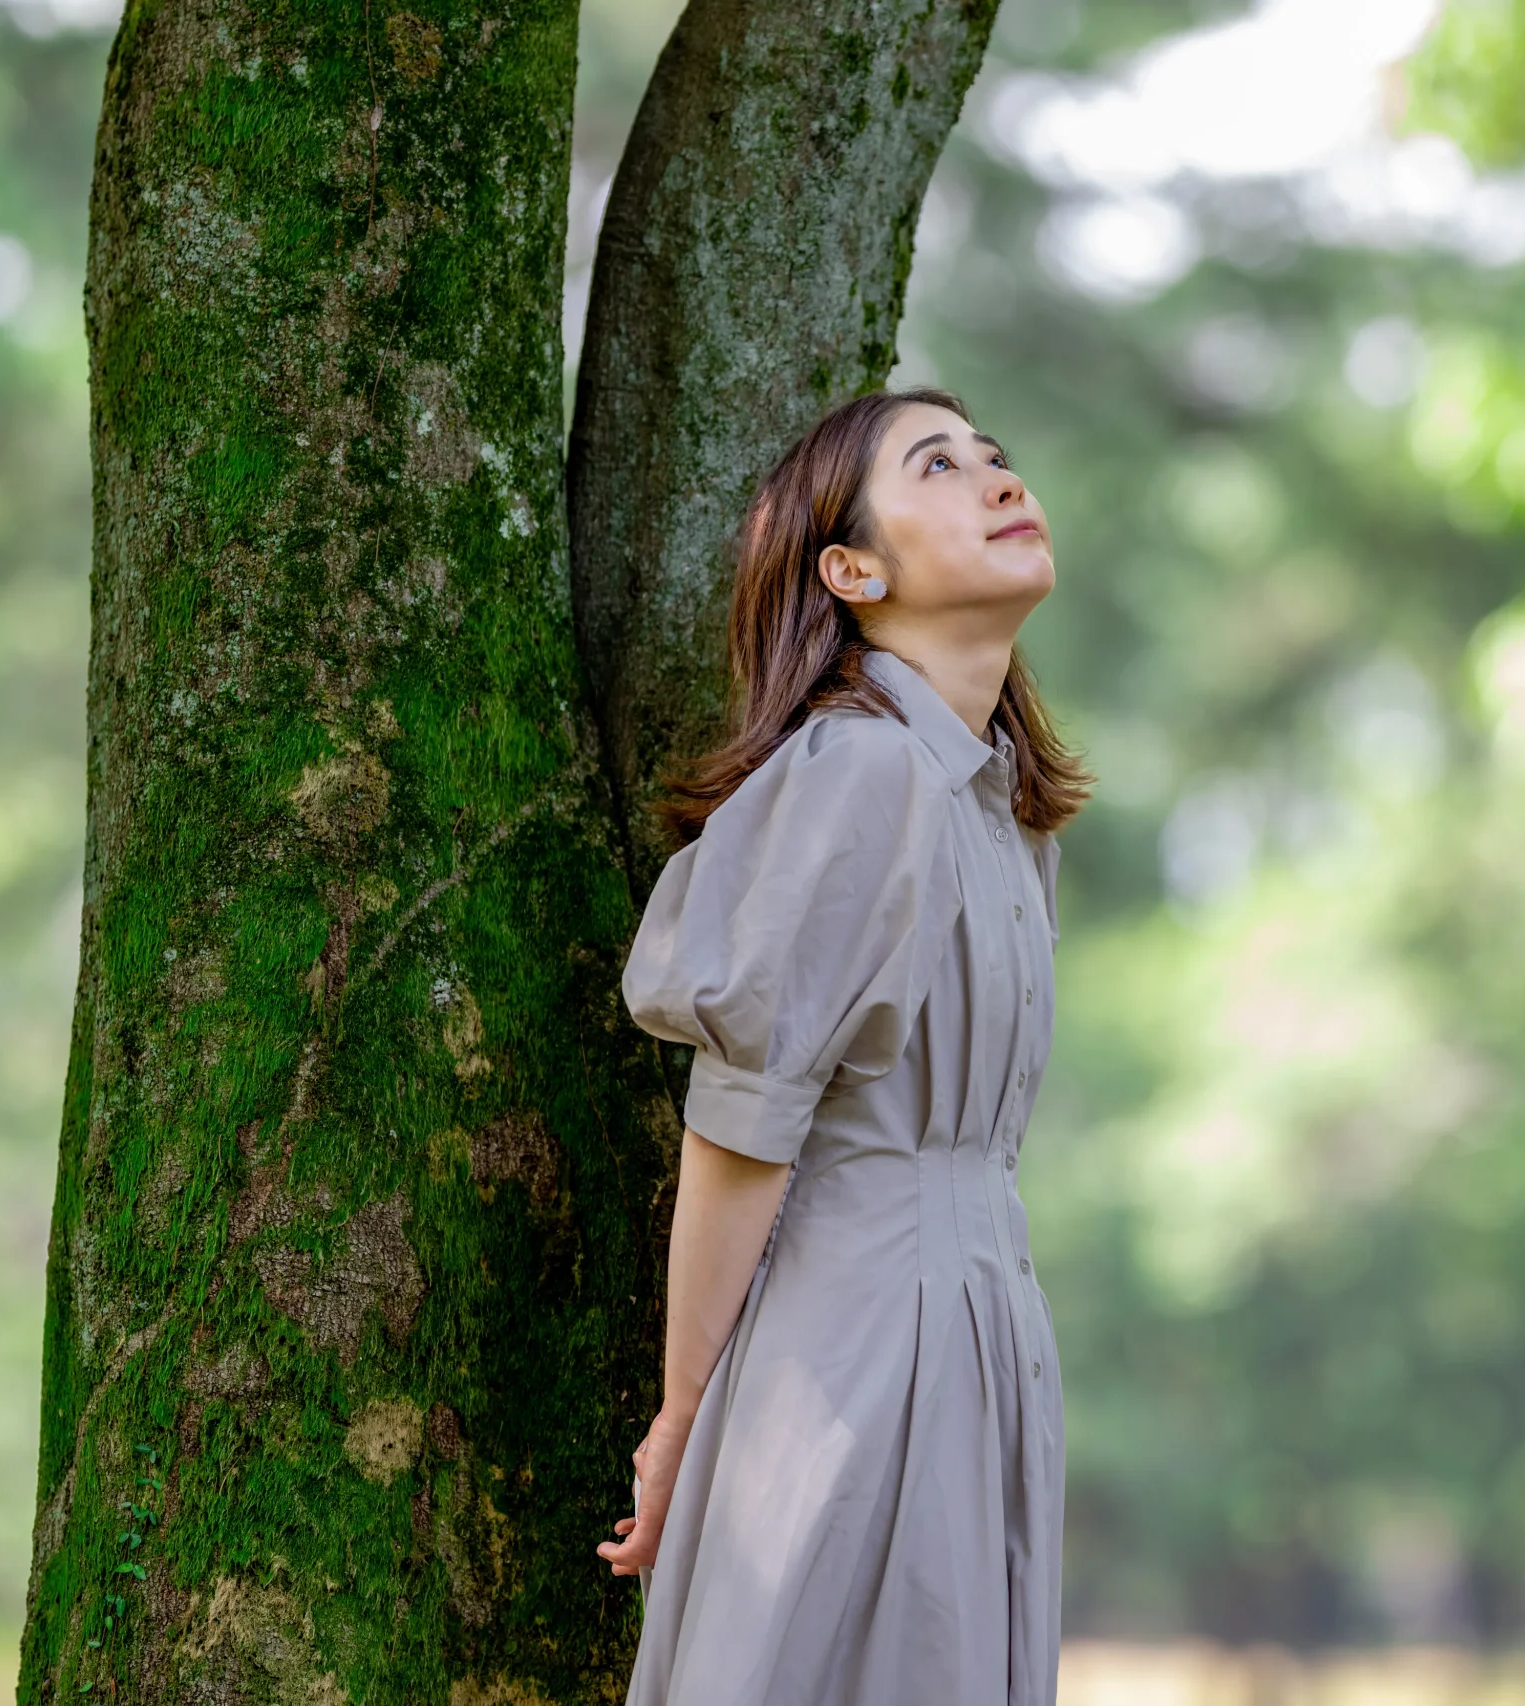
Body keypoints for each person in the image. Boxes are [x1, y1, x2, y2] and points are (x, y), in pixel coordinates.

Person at [597, 386, 1090, 1706]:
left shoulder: (1003, 809)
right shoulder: (859, 775)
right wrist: (687, 1418)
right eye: (939, 465)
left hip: (985, 1330)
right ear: (851, 569)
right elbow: (741, 1125)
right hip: (858, 1339)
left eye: (998, 453)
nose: (995, 477)